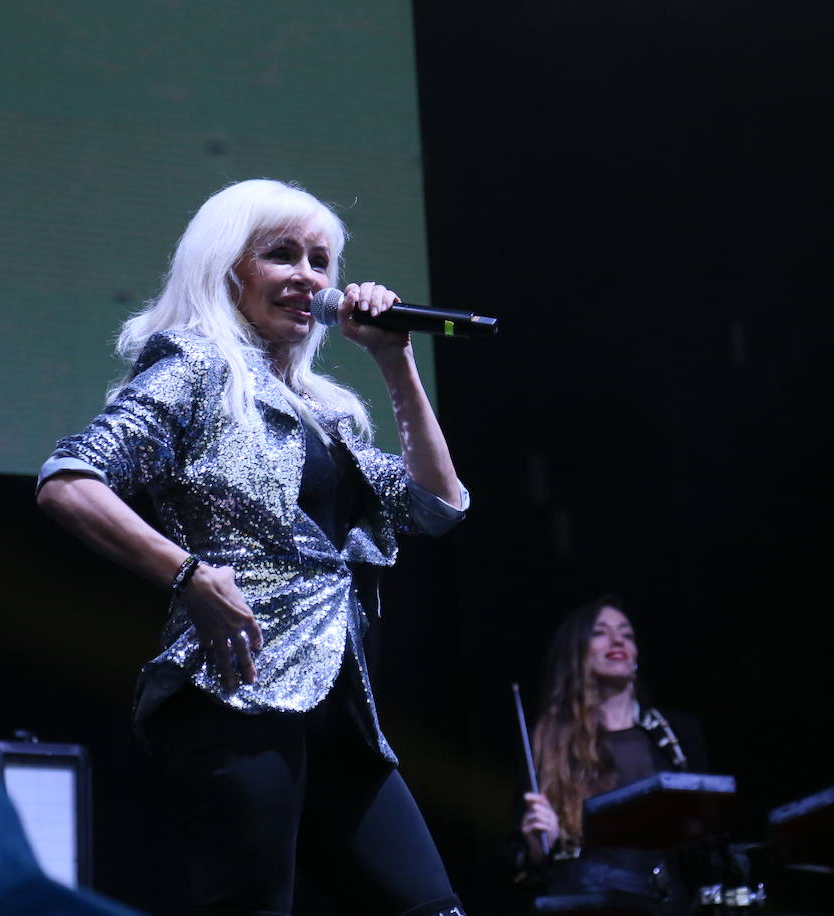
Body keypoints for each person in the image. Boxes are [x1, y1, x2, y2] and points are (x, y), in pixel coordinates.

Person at [36, 178, 469, 916]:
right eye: (282, 255)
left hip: (337, 703)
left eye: (321, 260)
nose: (309, 276)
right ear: (227, 269)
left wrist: (394, 360)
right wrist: (190, 576)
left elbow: (437, 507)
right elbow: (67, 482)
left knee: (430, 907)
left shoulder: (325, 411)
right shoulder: (194, 371)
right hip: (234, 687)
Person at [516, 597, 707, 914]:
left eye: (627, 634)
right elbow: (517, 866)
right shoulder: (548, 743)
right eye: (600, 632)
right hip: (584, 904)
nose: (617, 639)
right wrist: (538, 847)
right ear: (576, 652)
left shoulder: (677, 734)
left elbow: (703, 840)